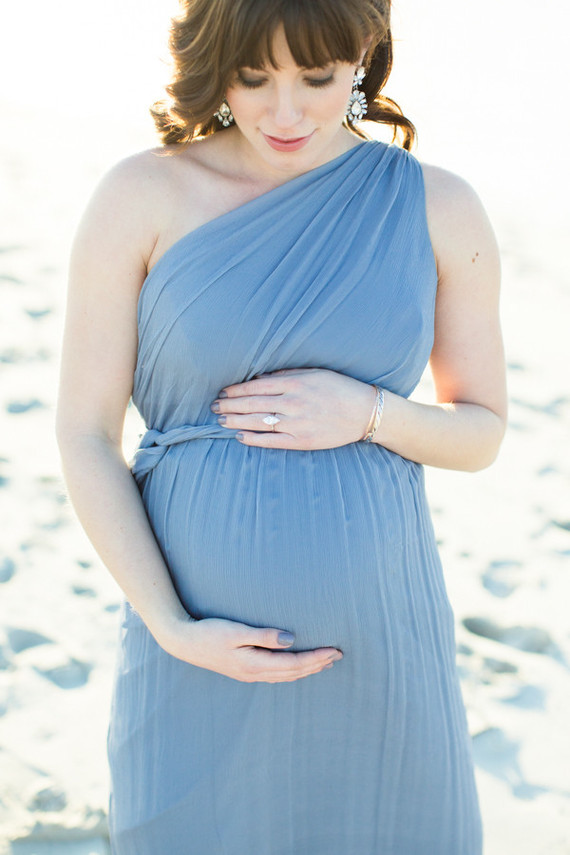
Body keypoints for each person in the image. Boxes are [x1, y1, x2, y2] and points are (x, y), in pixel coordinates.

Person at [56, 0, 507, 852]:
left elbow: (481, 431)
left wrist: (368, 412)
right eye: (254, 78)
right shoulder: (143, 194)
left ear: (364, 55)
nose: (286, 111)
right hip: (192, 642)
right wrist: (172, 625)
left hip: (380, 644)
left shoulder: (439, 206)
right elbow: (83, 433)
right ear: (213, 64)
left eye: (318, 77)